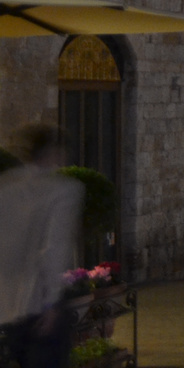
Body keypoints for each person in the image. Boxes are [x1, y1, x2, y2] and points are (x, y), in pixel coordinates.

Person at [0, 125, 84, 368]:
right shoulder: (64, 190)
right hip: (39, 302)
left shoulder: (6, 187)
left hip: (8, 305)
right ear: (54, 152)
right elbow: (53, 248)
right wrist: (51, 303)